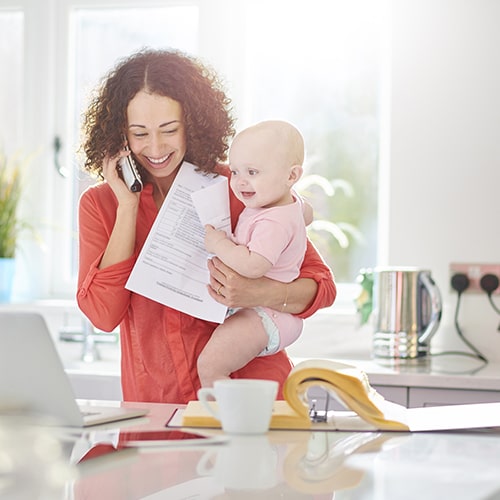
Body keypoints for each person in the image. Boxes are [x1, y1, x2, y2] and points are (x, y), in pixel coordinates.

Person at [77, 48, 337, 404]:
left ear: (193, 123)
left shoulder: (240, 186)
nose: (155, 148)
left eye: (169, 130)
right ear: (120, 134)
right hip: (158, 404)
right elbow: (103, 315)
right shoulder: (101, 204)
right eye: (140, 133)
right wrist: (128, 207)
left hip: (252, 398)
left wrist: (258, 293)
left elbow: (321, 288)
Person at [197, 120, 310, 387]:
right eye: (235, 171)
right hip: (266, 313)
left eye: (253, 171)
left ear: (291, 176)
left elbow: (254, 266)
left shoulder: (274, 222)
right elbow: (307, 213)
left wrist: (219, 244)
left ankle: (225, 418)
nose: (240, 182)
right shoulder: (285, 203)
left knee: (210, 365)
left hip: (265, 315)